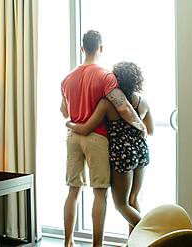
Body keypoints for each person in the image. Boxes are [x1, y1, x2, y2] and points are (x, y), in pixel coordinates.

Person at [60, 30, 148, 247]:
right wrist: (140, 125)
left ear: (82, 48)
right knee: (99, 194)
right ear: (101, 48)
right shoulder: (106, 76)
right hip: (96, 138)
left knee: (73, 191)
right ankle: (96, 245)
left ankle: (68, 242)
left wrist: (75, 117)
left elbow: (64, 111)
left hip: (73, 137)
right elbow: (123, 107)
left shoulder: (67, 79)